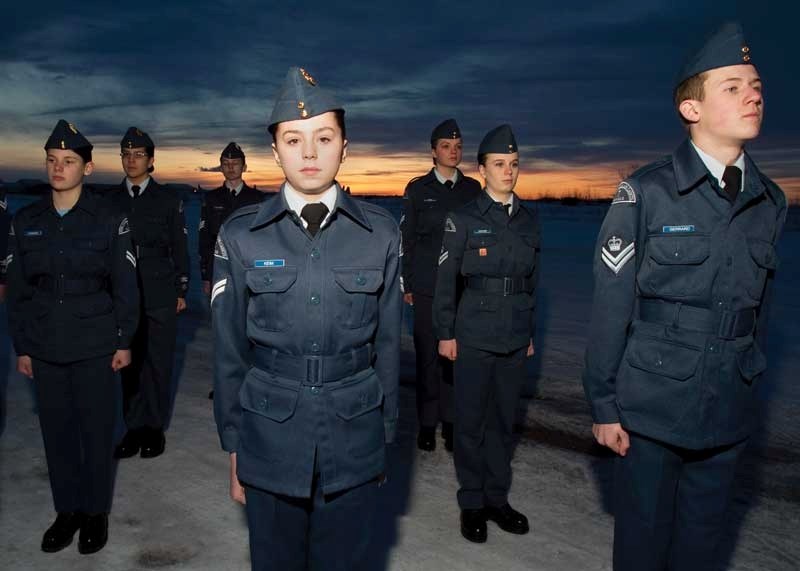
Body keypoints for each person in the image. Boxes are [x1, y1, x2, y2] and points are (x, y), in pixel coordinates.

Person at [582, 22, 786, 571]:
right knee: (643, 548)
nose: (754, 93)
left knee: (702, 549)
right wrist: (603, 402)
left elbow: (758, 311)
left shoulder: (770, 201)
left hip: (728, 409)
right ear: (691, 109)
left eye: (757, 83)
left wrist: (750, 376)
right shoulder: (647, 192)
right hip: (652, 406)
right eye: (733, 85)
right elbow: (611, 304)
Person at [212, 66, 401, 570]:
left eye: (324, 137)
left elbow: (388, 346)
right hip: (270, 436)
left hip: (354, 431)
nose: (310, 153)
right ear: (275, 151)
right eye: (294, 140)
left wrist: (382, 437)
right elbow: (228, 352)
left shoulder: (380, 233)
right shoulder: (242, 235)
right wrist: (235, 445)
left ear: (345, 146)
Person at [4, 120, 139, 554]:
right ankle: (68, 511)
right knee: (57, 434)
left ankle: (95, 512)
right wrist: (21, 347)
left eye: (68, 161)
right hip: (44, 346)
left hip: (96, 346)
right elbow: (18, 291)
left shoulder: (109, 219)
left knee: (97, 433)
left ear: (87, 168)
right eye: (51, 160)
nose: (58, 168)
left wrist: (124, 341)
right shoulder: (27, 220)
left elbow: (125, 285)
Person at [434, 124, 540, 543]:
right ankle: (472, 502)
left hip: (514, 334)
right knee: (471, 422)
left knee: (503, 422)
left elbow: (534, 281)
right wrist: (445, 332)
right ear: (482, 169)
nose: (508, 172)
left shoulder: (530, 220)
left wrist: (529, 331)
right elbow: (445, 282)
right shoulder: (462, 219)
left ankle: (497, 499)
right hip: (473, 333)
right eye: (499, 164)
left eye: (514, 164)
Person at [108, 127, 190, 459]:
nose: (131, 160)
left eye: (138, 154)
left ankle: (153, 428)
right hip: (122, 293)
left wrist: (180, 287)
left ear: (151, 160)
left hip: (159, 291)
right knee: (128, 362)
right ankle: (133, 426)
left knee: (157, 362)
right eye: (126, 154)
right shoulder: (109, 201)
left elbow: (180, 247)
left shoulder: (168, 199)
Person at [401, 119, 481, 452]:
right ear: (433, 151)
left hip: (462, 289)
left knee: (455, 359)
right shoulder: (418, 190)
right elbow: (407, 239)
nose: (453, 152)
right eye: (446, 146)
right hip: (425, 287)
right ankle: (426, 423)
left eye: (458, 146)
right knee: (427, 358)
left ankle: (451, 422)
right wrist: (406, 282)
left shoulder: (472, 190)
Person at [200, 142, 264, 399]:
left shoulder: (256, 200)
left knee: (250, 329)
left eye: (234, 163)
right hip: (220, 273)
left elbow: (262, 239)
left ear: (244, 167)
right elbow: (204, 239)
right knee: (224, 330)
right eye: (225, 164)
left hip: (248, 272)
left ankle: (251, 382)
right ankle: (226, 384)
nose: (230, 168)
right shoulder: (211, 199)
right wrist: (206, 274)